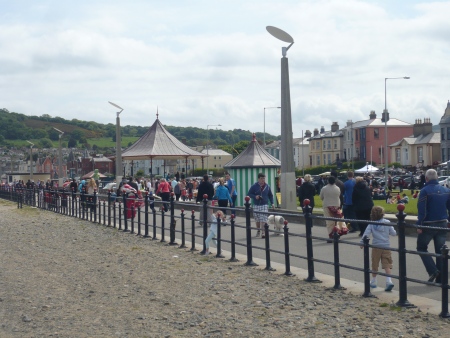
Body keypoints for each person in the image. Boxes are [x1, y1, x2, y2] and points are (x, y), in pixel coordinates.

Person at [416, 169, 450, 283]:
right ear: (437, 177)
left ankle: (433, 270)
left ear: (426, 178)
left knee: (421, 248)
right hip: (442, 223)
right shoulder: (446, 190)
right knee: (440, 251)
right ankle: (440, 279)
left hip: (429, 224)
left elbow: (422, 210)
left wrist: (419, 224)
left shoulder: (425, 191)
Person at [360, 206, 397, 291]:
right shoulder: (387, 222)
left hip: (376, 246)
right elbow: (393, 233)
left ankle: (374, 281)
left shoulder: (371, 224)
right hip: (386, 246)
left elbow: (366, 234)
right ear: (383, 214)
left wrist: (362, 243)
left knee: (375, 263)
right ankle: (389, 281)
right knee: (387, 264)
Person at [320, 176, 348, 241]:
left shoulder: (324, 188)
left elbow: (321, 197)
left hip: (327, 205)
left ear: (328, 181)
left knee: (329, 222)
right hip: (336, 205)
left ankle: (331, 235)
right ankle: (337, 233)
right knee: (337, 221)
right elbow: (339, 195)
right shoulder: (337, 188)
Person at [247, 173, 274, 238]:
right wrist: (255, 196)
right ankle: (258, 230)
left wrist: (272, 203)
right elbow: (249, 194)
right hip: (256, 204)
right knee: (257, 219)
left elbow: (270, 195)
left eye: (264, 178)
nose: (263, 180)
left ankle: (263, 232)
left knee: (263, 219)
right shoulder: (254, 186)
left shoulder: (267, 186)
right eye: (261, 178)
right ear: (258, 179)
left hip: (264, 204)